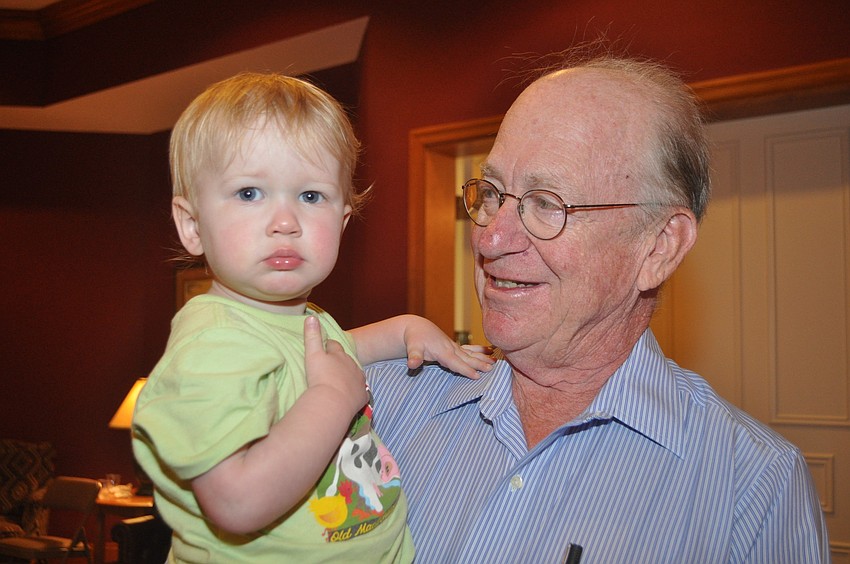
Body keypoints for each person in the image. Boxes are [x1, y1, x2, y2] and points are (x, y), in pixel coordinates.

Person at [366, 54, 830, 563]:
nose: (491, 236)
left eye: (548, 203)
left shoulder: (752, 487)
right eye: (493, 192)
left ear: (658, 247)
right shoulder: (377, 400)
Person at [131, 72, 492, 563]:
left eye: (310, 196)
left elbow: (334, 352)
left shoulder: (297, 320)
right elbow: (236, 502)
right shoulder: (212, 346)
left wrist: (406, 328)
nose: (286, 222)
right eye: (250, 193)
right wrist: (331, 398)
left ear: (343, 222)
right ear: (193, 226)